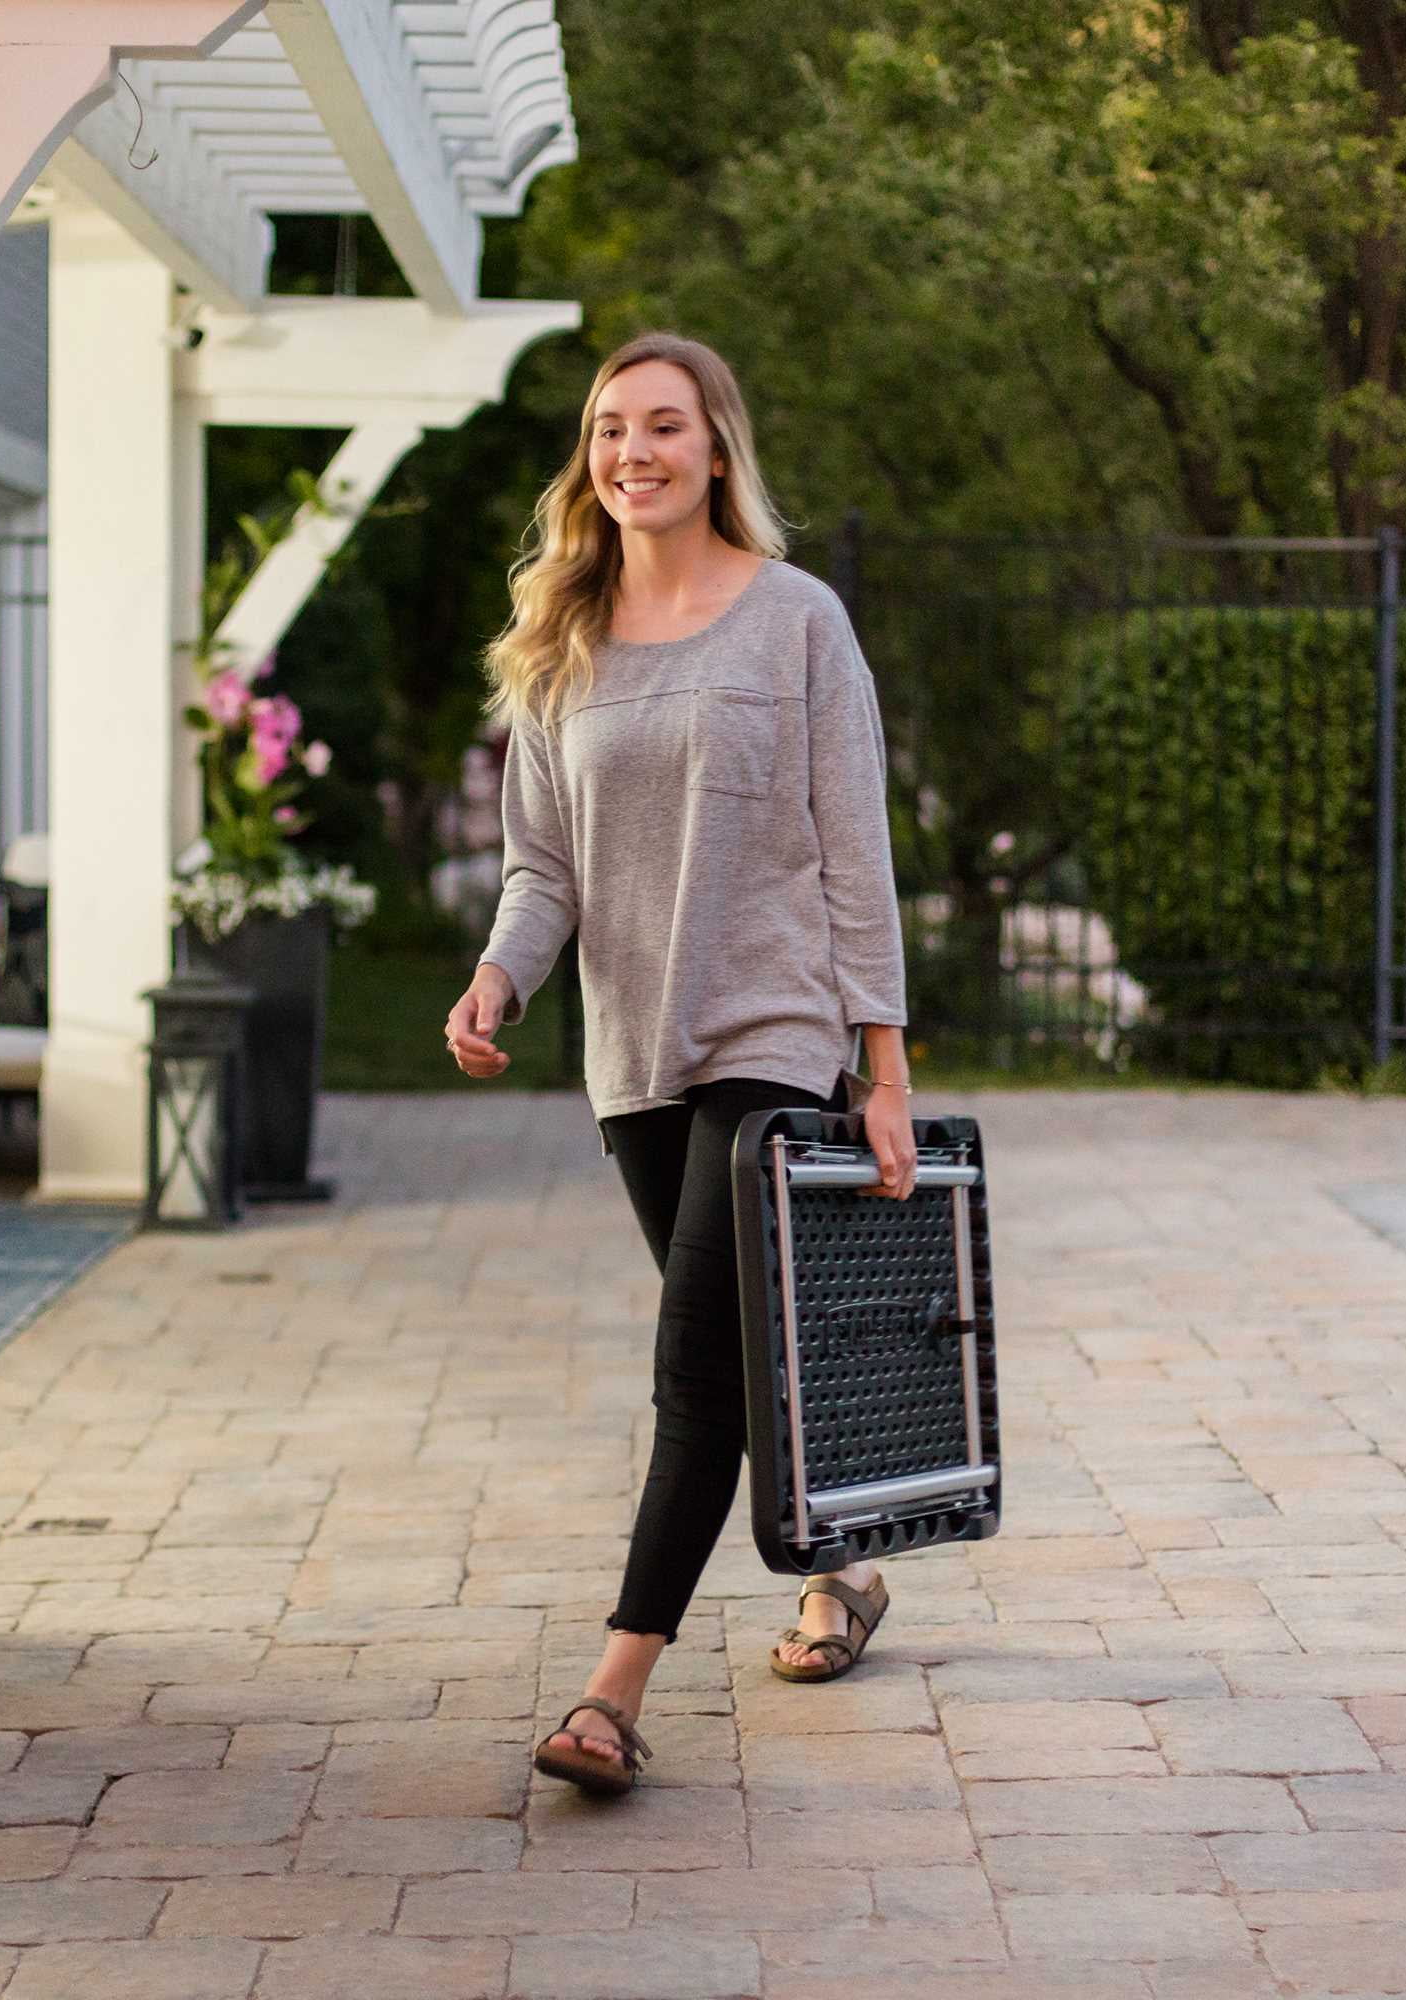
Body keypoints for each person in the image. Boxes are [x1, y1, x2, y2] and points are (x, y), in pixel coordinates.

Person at [445, 331, 917, 1795]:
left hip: (769, 1032)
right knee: (747, 1352)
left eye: (663, 425)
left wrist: (880, 1065)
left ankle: (613, 1688)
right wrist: (498, 976)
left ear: (718, 446)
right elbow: (543, 870)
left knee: (694, 1368)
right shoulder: (557, 641)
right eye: (608, 431)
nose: (632, 452)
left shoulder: (795, 622)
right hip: (630, 1051)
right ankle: (845, 1569)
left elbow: (857, 850)